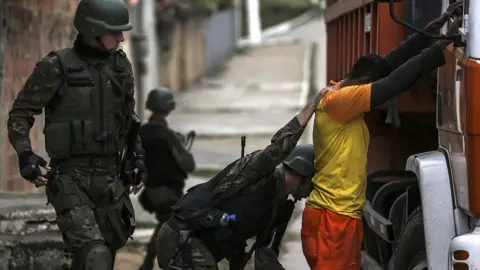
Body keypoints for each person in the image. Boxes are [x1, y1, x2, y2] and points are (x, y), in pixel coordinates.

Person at [301, 2, 463, 269]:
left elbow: (389, 66)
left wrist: (431, 31)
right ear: (363, 81)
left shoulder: (341, 91)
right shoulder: (339, 101)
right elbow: (392, 83)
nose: (373, 97)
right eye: (370, 87)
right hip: (333, 220)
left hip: (339, 218)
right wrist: (441, 49)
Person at [6, 0, 147, 269]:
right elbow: (20, 114)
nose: (120, 37)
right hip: (71, 179)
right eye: (113, 32)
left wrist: (136, 158)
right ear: (91, 29)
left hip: (110, 180)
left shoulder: (121, 66)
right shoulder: (56, 65)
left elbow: (129, 120)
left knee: (103, 253)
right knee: (96, 257)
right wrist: (25, 154)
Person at [155, 88, 328, 270]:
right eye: (312, 181)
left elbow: (266, 259)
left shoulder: (281, 210)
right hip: (181, 238)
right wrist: (312, 107)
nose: (312, 190)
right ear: (301, 172)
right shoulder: (259, 173)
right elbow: (278, 148)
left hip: (202, 250)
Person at [138, 88, 196, 270]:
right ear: (169, 107)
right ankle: (181, 262)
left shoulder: (141, 132)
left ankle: (149, 261)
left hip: (150, 192)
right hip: (166, 192)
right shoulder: (168, 136)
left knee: (167, 223)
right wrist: (181, 146)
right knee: (188, 221)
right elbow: (189, 165)